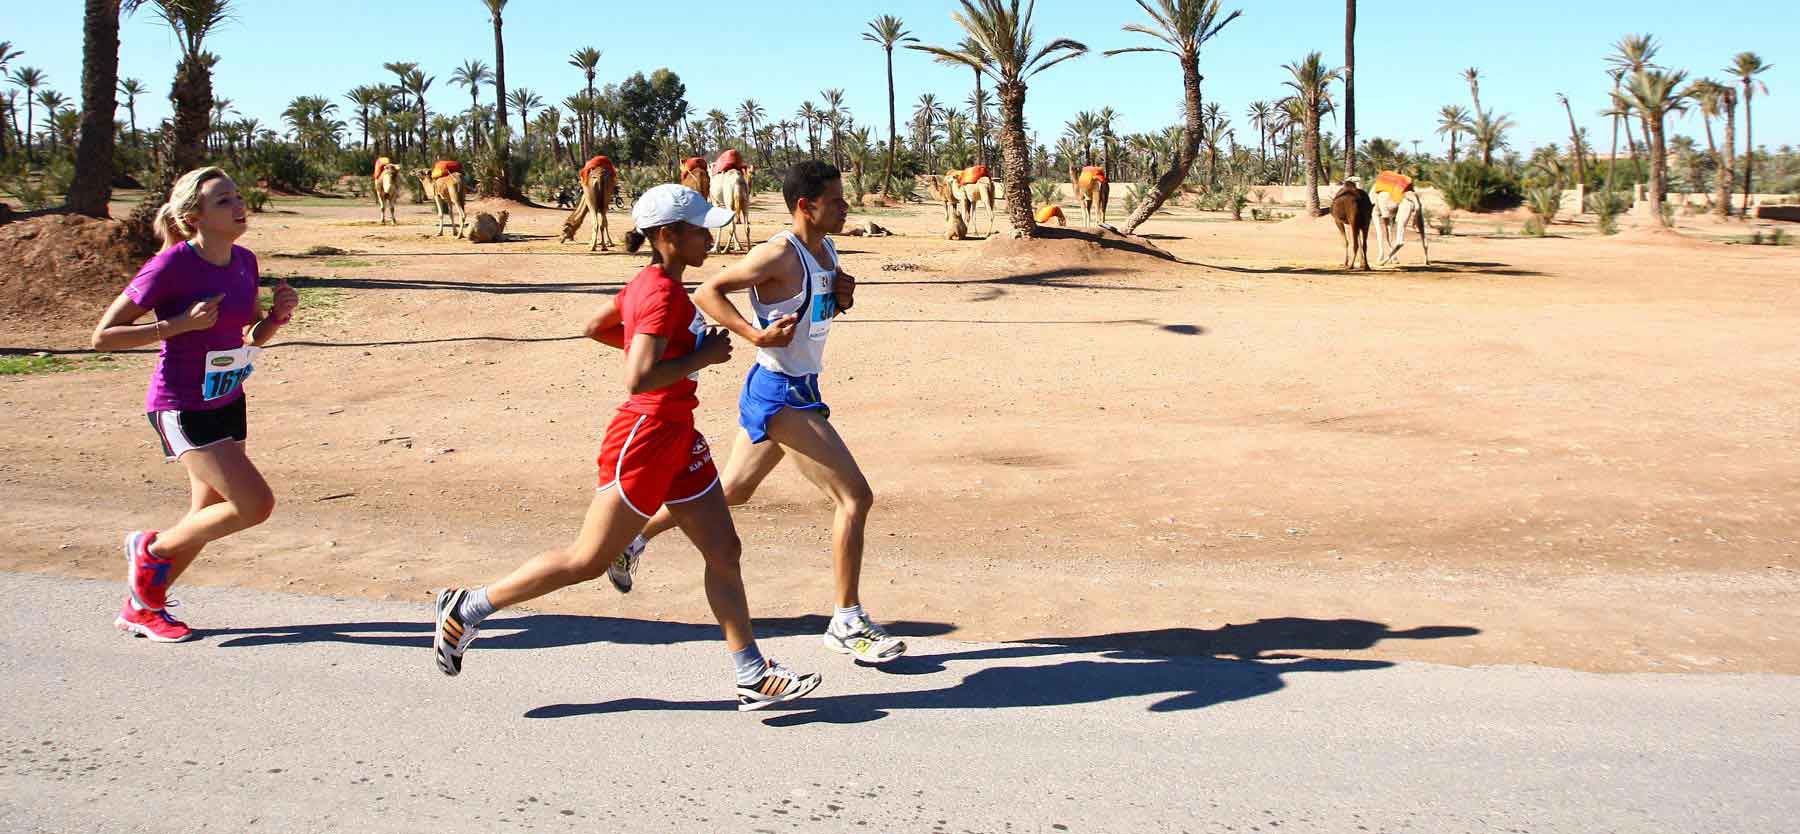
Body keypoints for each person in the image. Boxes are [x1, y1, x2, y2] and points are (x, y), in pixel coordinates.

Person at [431, 184, 821, 712]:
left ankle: (751, 673)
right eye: (701, 229)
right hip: (645, 436)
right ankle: (468, 607)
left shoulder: (652, 284)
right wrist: (699, 357)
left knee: (724, 550)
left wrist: (675, 350)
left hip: (678, 433)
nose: (711, 236)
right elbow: (638, 378)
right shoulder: (661, 295)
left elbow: (595, 327)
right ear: (668, 236)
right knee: (587, 559)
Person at [608, 161, 906, 665]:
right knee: (854, 496)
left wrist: (842, 297)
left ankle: (634, 538)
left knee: (731, 492)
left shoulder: (827, 248)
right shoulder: (775, 253)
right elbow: (707, 291)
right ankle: (846, 619)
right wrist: (754, 334)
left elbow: (815, 310)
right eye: (835, 200)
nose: (844, 206)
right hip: (779, 392)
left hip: (799, 386)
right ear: (805, 207)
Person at [90, 166, 299, 643]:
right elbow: (103, 337)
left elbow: (251, 335)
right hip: (181, 403)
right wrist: (177, 325)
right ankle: (151, 549)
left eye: (238, 196)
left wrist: (278, 318)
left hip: (227, 395)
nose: (238, 205)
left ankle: (143, 606)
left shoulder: (245, 261)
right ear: (194, 216)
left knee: (205, 514)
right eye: (223, 200)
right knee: (255, 505)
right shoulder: (170, 266)